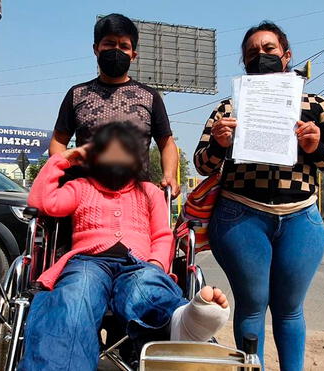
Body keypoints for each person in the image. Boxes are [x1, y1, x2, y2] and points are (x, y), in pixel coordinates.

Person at [193, 22, 324, 371]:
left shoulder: (316, 106)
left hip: (301, 219)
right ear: (244, 62)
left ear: (287, 55)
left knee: (290, 308)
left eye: (268, 49)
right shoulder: (228, 109)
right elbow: (202, 164)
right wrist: (218, 144)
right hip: (241, 216)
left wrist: (316, 146)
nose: (260, 56)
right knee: (251, 304)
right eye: (252, 53)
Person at [19, 122, 230, 371]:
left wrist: (155, 264)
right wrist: (63, 159)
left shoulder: (150, 192)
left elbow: (163, 236)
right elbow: (43, 203)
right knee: (76, 294)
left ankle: (182, 323)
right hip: (88, 261)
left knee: (145, 286)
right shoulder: (80, 187)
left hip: (138, 263)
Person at [48, 13, 179, 197]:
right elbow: (58, 141)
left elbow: (167, 143)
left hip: (136, 200)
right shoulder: (77, 94)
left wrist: (170, 175)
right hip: (85, 197)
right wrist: (61, 169)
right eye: (109, 43)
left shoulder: (149, 97)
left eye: (124, 46)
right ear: (96, 49)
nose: (116, 50)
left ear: (133, 55)